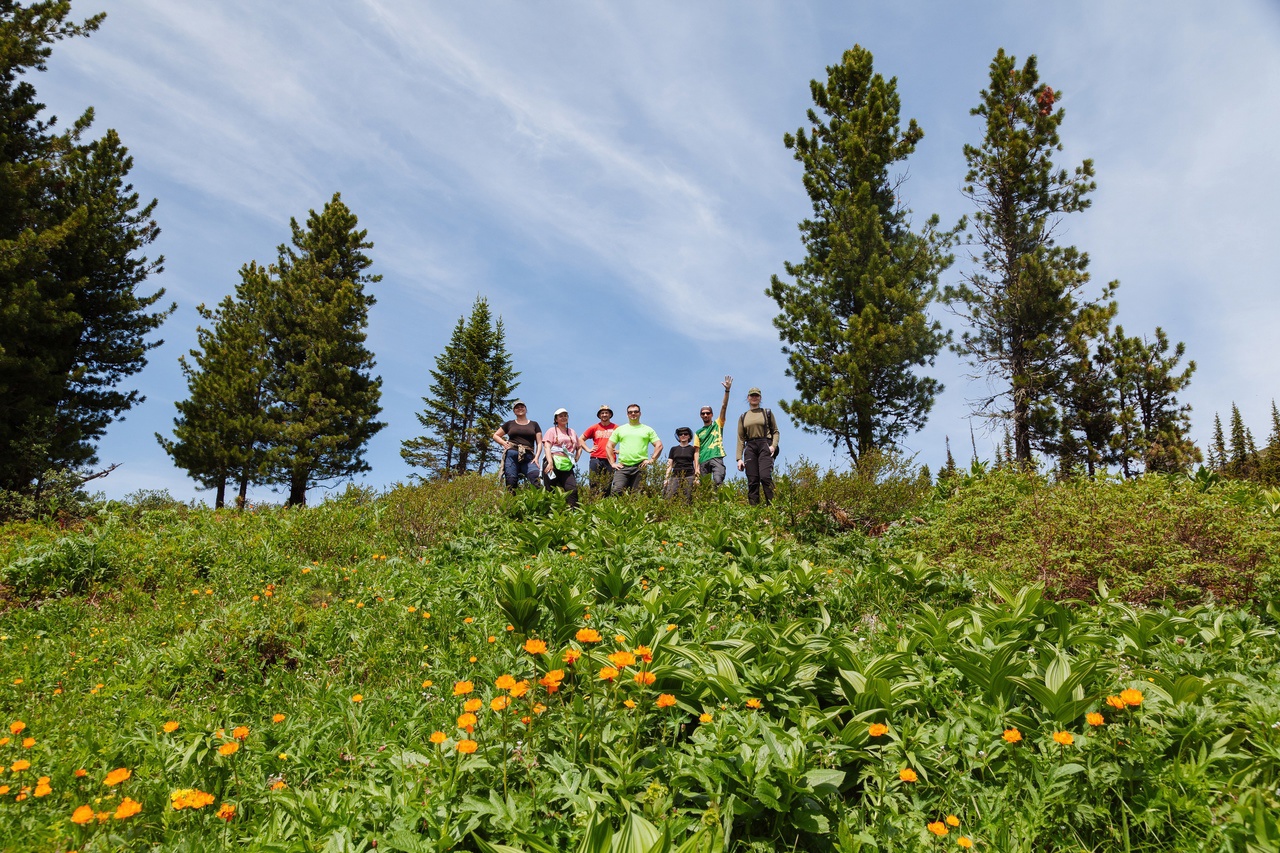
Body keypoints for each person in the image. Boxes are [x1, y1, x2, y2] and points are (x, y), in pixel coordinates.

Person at [735, 387, 779, 506]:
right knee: (753, 481)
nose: (754, 397)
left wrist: (773, 446)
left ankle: (774, 507)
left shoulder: (767, 413)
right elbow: (740, 438)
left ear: (760, 398)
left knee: (765, 477)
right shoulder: (743, 417)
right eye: (752, 395)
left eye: (757, 395)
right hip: (750, 447)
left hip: (765, 444)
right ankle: (755, 511)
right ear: (748, 398)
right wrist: (739, 458)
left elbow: (775, 432)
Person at [606, 403, 663, 494]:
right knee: (617, 491)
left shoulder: (647, 430)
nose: (633, 414)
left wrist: (652, 460)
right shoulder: (620, 429)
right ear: (627, 414)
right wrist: (612, 463)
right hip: (622, 467)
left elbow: (659, 445)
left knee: (637, 494)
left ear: (640, 413)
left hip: (640, 467)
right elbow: (609, 446)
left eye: (636, 412)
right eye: (630, 412)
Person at [492, 400, 542, 491]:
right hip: (512, 455)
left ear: (526, 409)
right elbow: (495, 435)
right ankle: (511, 503)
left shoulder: (534, 424)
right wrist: (503, 443)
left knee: (535, 477)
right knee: (511, 481)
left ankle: (539, 502)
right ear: (514, 411)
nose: (520, 409)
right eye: (517, 407)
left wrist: (537, 457)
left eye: (522, 406)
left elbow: (539, 442)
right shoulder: (510, 424)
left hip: (528, 456)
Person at [695, 375, 733, 487]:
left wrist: (727, 390)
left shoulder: (718, 424)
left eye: (708, 413)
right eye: (703, 413)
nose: (705, 415)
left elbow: (724, 406)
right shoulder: (698, 432)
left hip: (716, 456)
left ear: (712, 414)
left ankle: (720, 503)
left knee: (718, 480)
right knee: (704, 488)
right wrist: (696, 468)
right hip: (703, 460)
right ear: (700, 416)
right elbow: (696, 451)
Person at [542, 407, 581, 507]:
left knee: (572, 490)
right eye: (561, 416)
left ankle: (574, 513)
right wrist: (550, 462)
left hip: (567, 464)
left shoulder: (572, 432)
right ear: (556, 419)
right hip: (553, 461)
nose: (563, 418)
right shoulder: (551, 431)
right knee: (550, 489)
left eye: (565, 416)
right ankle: (547, 513)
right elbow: (547, 446)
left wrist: (576, 458)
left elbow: (579, 447)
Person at [579, 405, 618, 495]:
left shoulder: (616, 428)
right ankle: (593, 503)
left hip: (610, 459)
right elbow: (580, 439)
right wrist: (588, 449)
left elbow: (626, 440)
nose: (604, 415)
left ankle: (605, 506)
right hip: (596, 458)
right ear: (599, 415)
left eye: (606, 413)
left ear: (610, 415)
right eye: (602, 413)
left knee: (607, 485)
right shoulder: (594, 427)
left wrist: (620, 451)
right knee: (593, 483)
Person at [663, 427, 697, 502]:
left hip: (689, 476)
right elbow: (669, 465)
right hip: (675, 475)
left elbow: (696, 464)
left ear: (689, 436)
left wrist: (696, 478)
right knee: (669, 497)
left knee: (687, 498)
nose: (683, 435)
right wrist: (666, 478)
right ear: (678, 437)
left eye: (685, 434)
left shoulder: (692, 449)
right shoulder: (673, 449)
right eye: (681, 434)